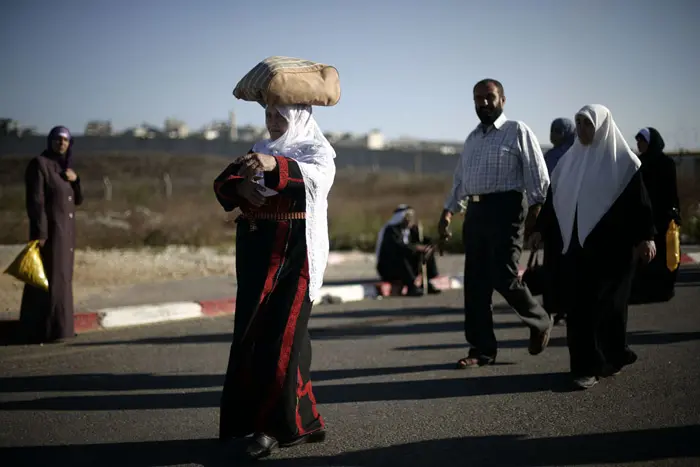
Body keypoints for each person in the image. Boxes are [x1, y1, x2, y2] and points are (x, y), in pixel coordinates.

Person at [213, 104, 334, 460]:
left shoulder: (317, 151)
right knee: (255, 333)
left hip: (296, 253)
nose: (272, 121)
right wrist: (243, 191)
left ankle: (271, 428)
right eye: (268, 114)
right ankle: (302, 420)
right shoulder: (260, 147)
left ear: (299, 116)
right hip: (256, 253)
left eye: (280, 115)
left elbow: (313, 180)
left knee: (281, 338)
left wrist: (273, 167)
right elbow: (224, 183)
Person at [529, 104, 656, 389]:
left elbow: (640, 205)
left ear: (601, 126)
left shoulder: (624, 163)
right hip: (575, 250)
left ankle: (610, 358)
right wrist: (540, 230)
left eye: (588, 124)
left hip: (612, 252)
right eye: (579, 124)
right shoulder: (568, 162)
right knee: (579, 309)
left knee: (608, 309)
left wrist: (646, 237)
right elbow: (554, 202)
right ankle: (584, 368)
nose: (583, 130)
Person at [437, 78, 553, 369]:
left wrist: (536, 211)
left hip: (507, 210)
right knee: (476, 284)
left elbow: (538, 175)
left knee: (503, 274)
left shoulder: (517, 131)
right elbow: (461, 181)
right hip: (476, 214)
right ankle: (481, 350)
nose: (483, 103)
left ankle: (539, 319)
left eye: (489, 97)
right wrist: (449, 212)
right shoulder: (472, 138)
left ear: (502, 100)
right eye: (478, 98)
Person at [19, 126, 83, 344]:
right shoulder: (40, 165)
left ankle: (60, 328)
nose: (61, 143)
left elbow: (78, 200)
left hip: (66, 234)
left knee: (62, 280)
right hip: (51, 233)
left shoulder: (65, 168)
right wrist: (40, 233)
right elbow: (36, 202)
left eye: (65, 140)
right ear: (50, 141)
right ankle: (46, 329)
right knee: (50, 281)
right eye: (58, 139)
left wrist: (75, 180)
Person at [629, 127, 682, 304]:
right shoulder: (638, 163)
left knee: (664, 255)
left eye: (642, 141)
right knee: (645, 255)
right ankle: (643, 291)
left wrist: (675, 214)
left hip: (663, 217)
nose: (639, 145)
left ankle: (664, 290)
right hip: (644, 215)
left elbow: (672, 192)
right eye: (638, 142)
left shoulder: (666, 163)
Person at [542, 118, 577, 325]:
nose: (552, 135)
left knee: (567, 265)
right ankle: (552, 307)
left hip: (571, 219)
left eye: (556, 131)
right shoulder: (549, 156)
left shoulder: (577, 155)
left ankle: (565, 308)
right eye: (551, 130)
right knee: (552, 264)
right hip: (553, 218)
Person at [375, 204, 441, 296]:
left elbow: (422, 241)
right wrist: (416, 248)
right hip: (388, 267)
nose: (410, 219)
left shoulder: (411, 229)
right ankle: (411, 286)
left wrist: (431, 244)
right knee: (401, 255)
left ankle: (426, 282)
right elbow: (398, 247)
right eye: (408, 217)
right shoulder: (390, 230)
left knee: (426, 252)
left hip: (406, 266)